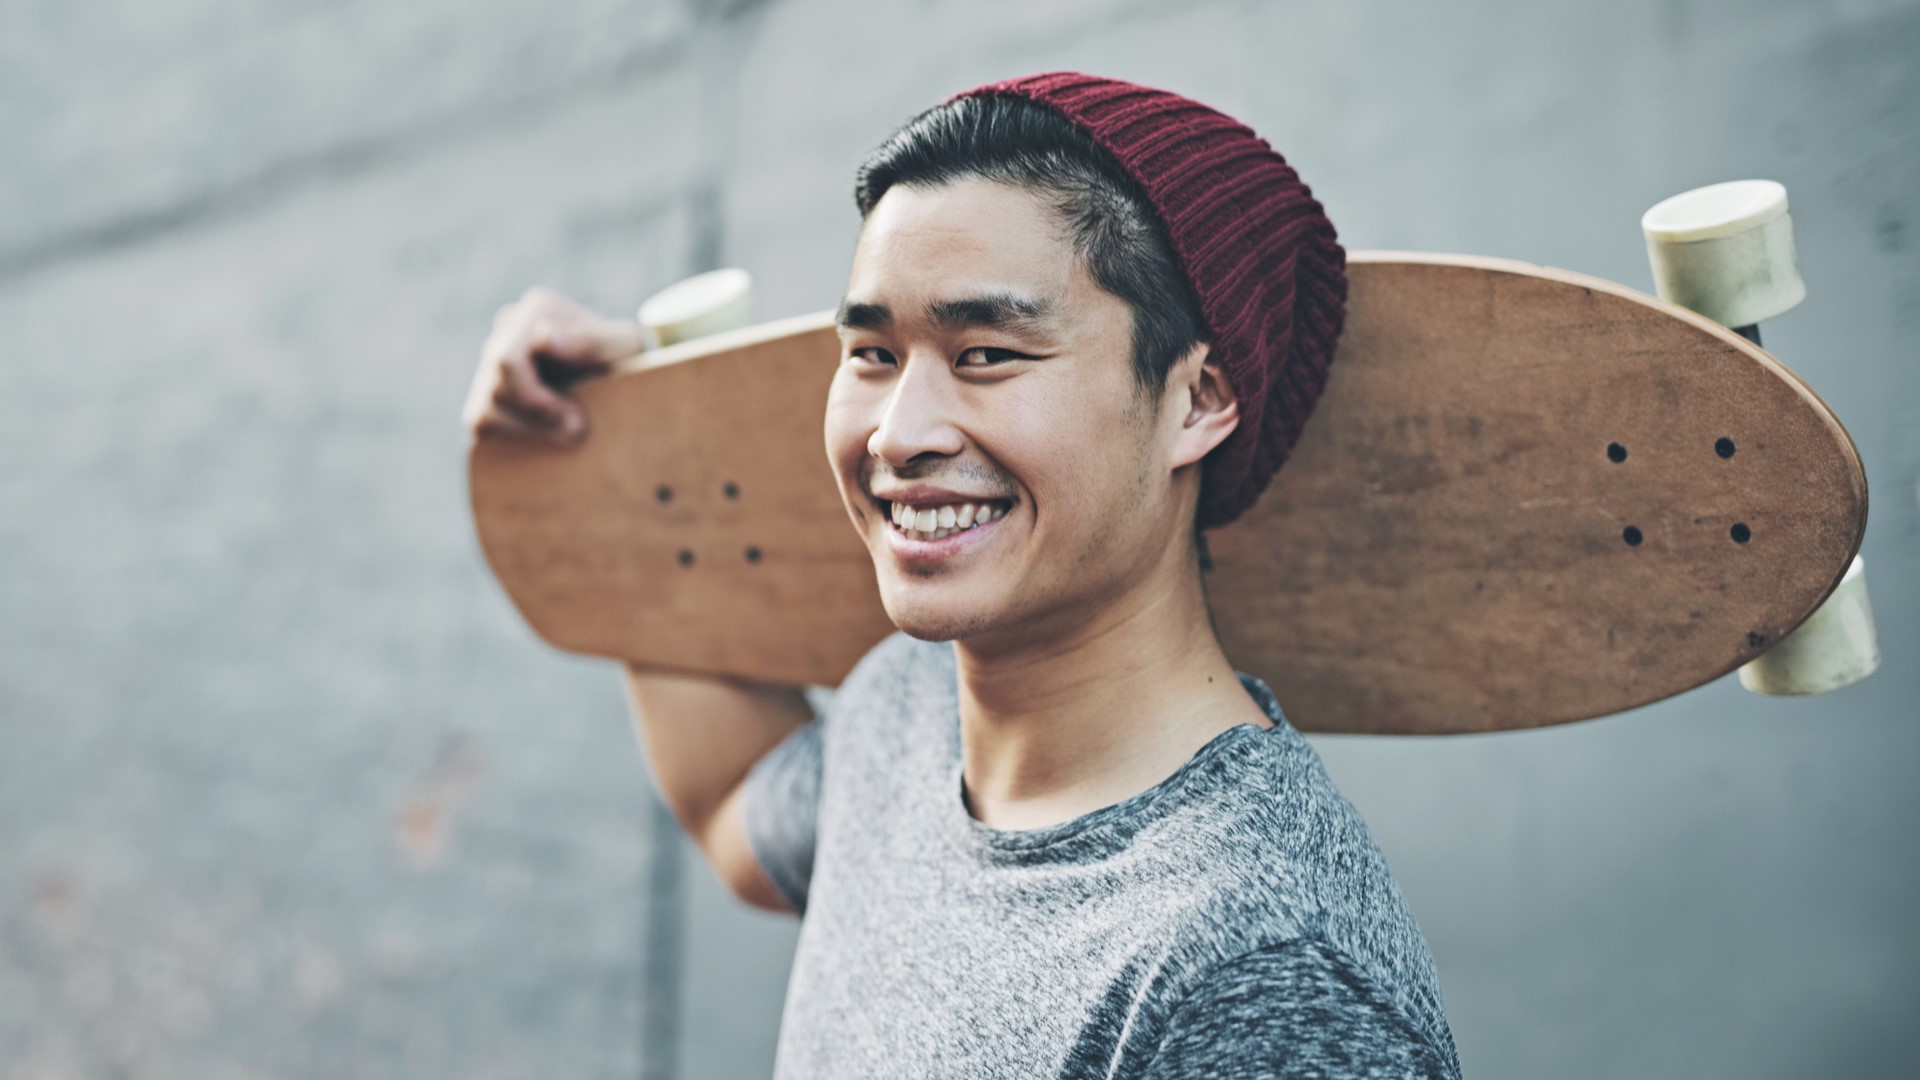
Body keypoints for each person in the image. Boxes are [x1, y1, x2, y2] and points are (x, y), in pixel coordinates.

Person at [464, 72, 1461, 1079]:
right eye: (872, 353)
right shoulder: (905, 705)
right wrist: (621, 435)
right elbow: (733, 803)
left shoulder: (1262, 973)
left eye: (985, 352)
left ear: (1195, 400)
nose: (899, 435)